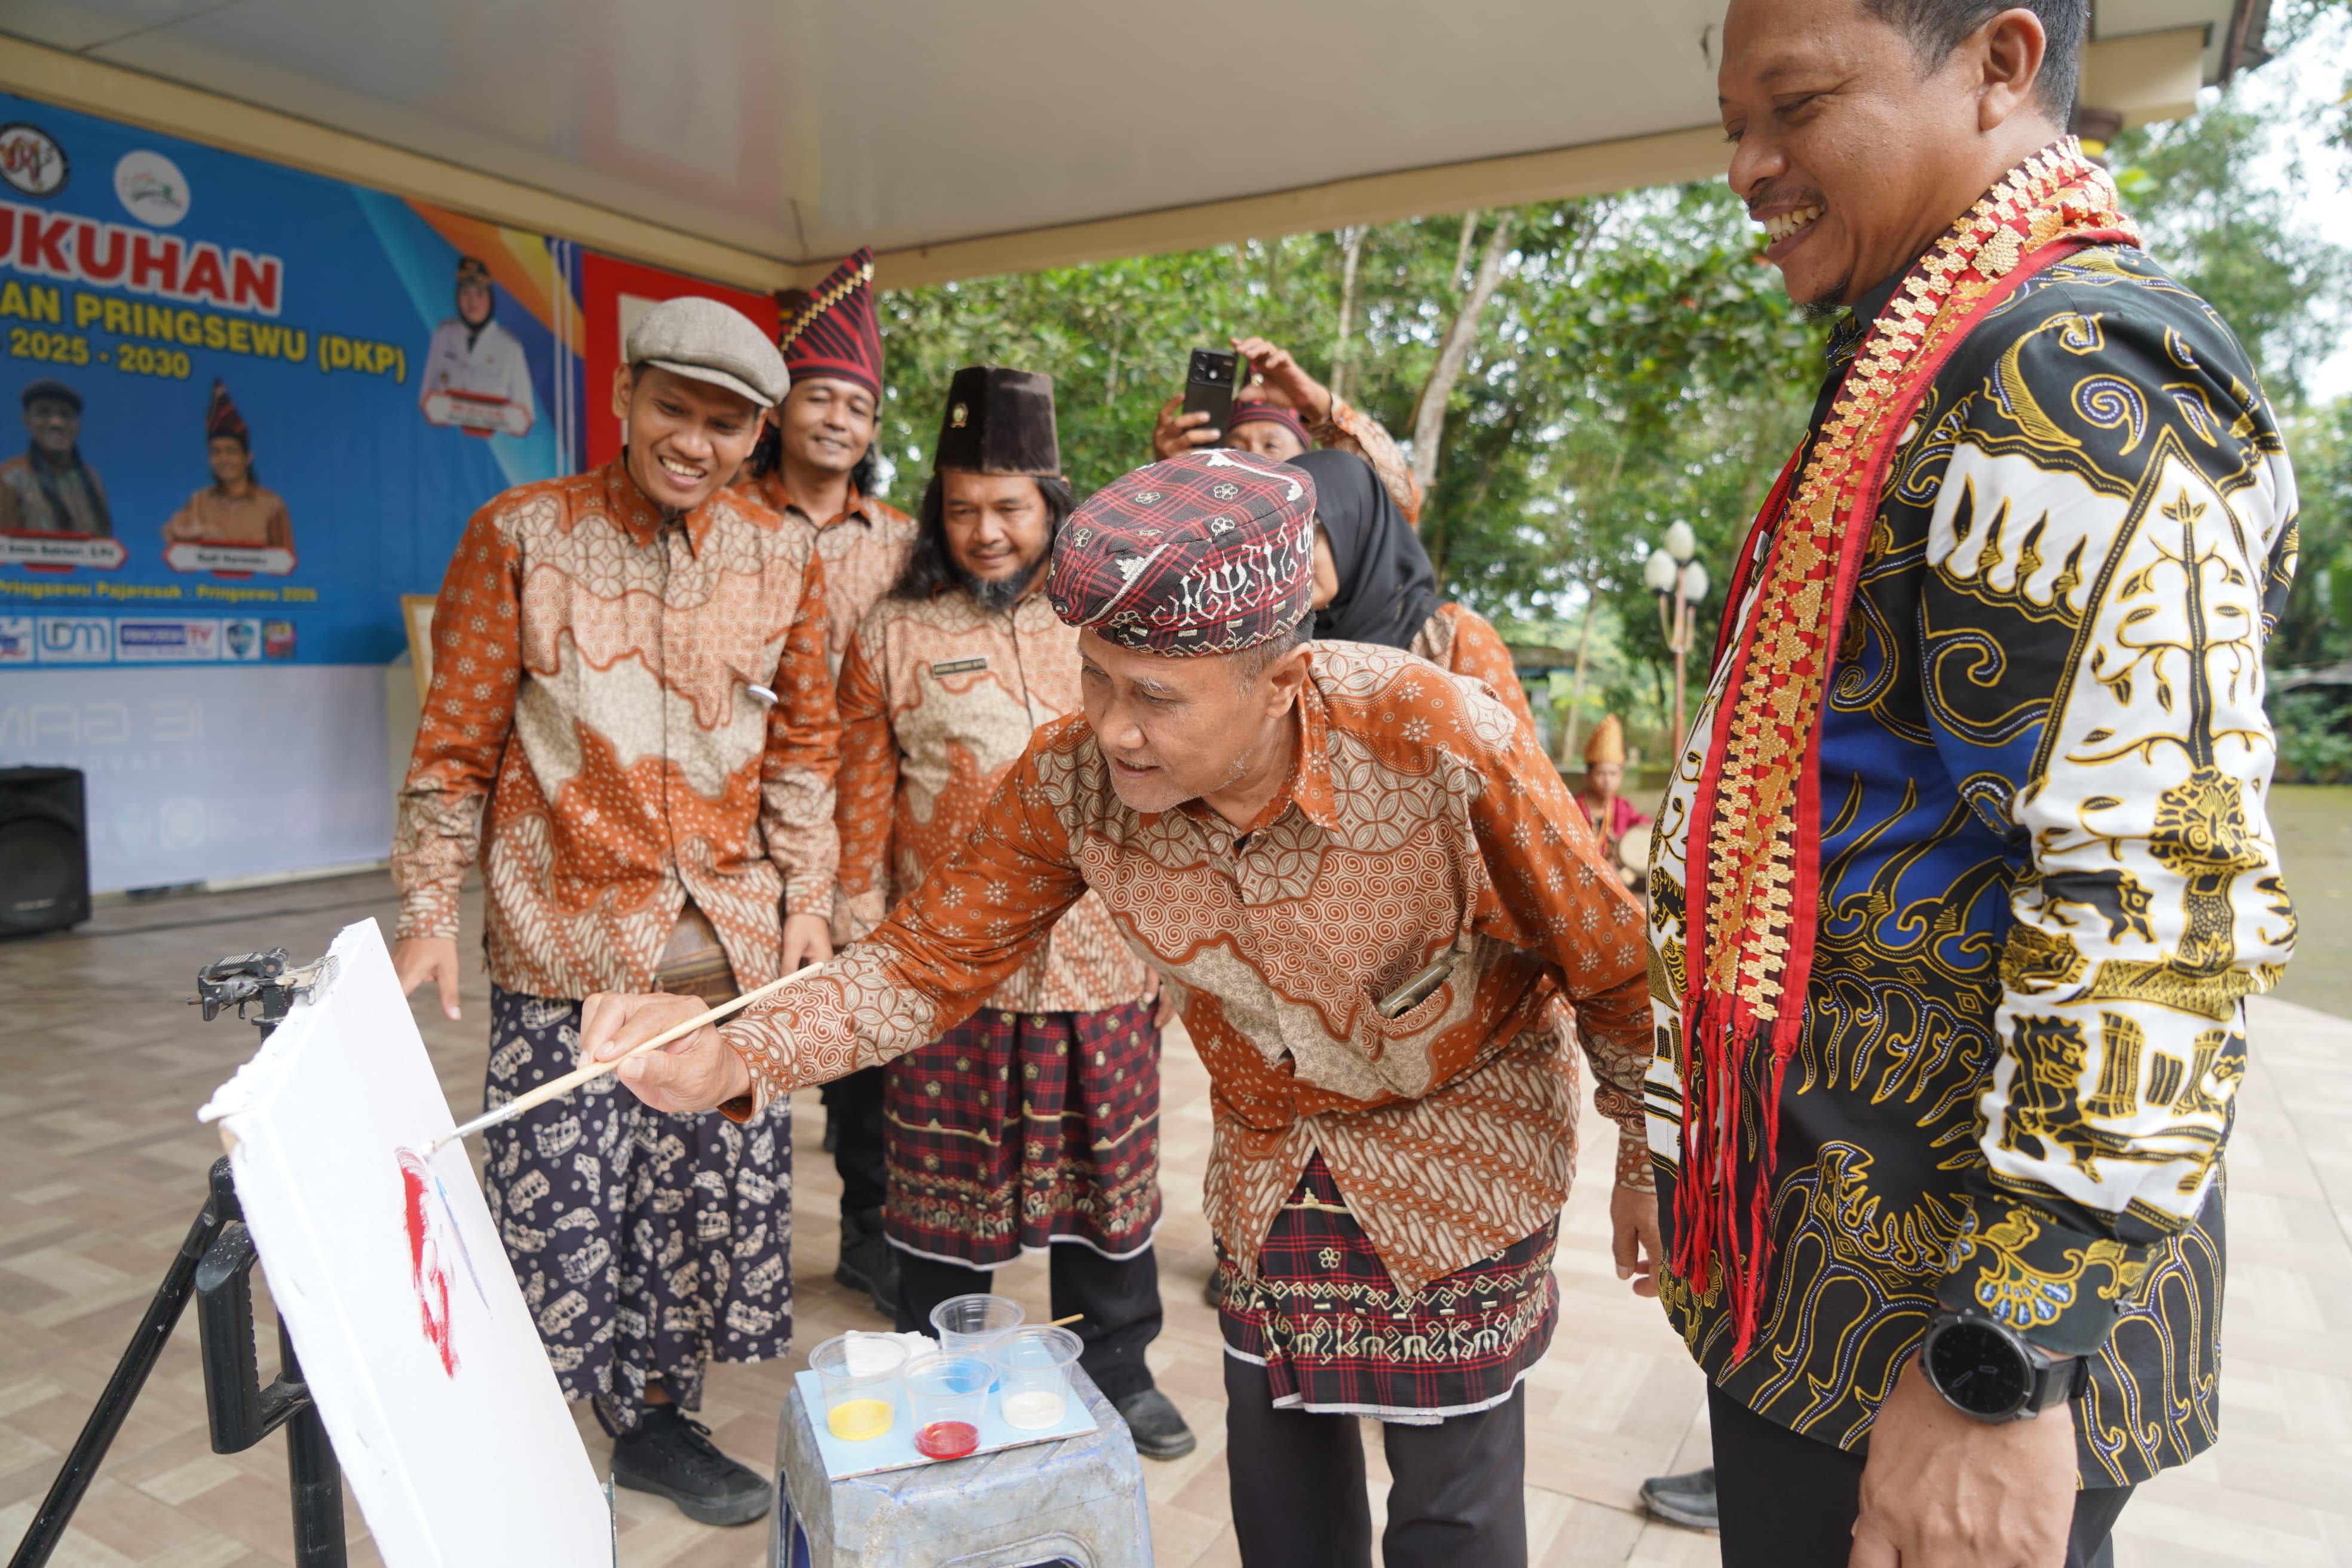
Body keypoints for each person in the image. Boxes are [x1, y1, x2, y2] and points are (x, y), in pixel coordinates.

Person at [578, 449, 1662, 1567]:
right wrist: (733, 1050)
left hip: (1461, 1152)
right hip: (1272, 1149)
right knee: (1281, 1485)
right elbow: (923, 961)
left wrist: (1647, 1149)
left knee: (1453, 1505)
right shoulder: (1074, 782)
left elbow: (1609, 954)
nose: (1111, 726)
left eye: (1153, 695)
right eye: (1094, 676)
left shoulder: (1436, 736)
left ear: (1281, 677)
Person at [1645, 2, 2296, 1564]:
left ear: (2001, 65)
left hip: (1948, 1339)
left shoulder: (2073, 380)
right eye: (1736, 119)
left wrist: (2004, 1365)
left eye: (1796, 106)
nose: (1748, 165)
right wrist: (1682, 1129)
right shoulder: (1926, 360)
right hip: (1831, 1289)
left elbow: (2167, 899)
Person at [389, 296, 838, 1529]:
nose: (694, 442)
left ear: (758, 435)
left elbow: (805, 750)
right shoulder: (521, 533)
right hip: (568, 937)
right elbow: (456, 739)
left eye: (727, 424)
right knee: (560, 1203)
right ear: (626, 400)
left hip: (724, 952)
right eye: (674, 411)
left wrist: (811, 900)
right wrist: (431, 907)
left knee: (695, 1204)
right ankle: (521, 1432)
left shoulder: (781, 558)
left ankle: (655, 1419)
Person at [832, 364, 1195, 1459]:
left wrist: (1179, 941)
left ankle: (1120, 1370)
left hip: (1103, 959)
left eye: (1009, 506)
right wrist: (863, 951)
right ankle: (946, 1378)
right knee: (943, 1194)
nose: (986, 531)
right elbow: (859, 802)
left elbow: (1169, 783)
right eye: (961, 508)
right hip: (952, 969)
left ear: (1052, 502)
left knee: (1110, 1180)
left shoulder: (1114, 626)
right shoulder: (893, 632)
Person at [731, 246, 920, 1318]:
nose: (840, 419)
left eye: (858, 403)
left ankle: (868, 1232)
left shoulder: (901, 545)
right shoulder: (729, 522)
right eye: (820, 397)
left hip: (862, 827)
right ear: (780, 408)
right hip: (731, 823)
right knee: (743, 1034)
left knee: (864, 1040)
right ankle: (737, 1243)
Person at [1290, 446, 1539, 739]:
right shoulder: (1276, 642)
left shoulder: (1451, 638)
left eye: (1306, 533)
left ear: (1354, 527)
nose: (1290, 557)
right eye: (1281, 539)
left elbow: (1517, 769)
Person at [1153, 335, 1422, 525]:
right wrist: (1172, 480)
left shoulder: (1329, 542)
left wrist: (1317, 407)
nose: (1252, 459)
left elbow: (1399, 507)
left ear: (1308, 461)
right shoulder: (1210, 530)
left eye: (1272, 446)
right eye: (1235, 449)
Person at [161, 381, 292, 550]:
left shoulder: (272, 505)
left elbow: (286, 561)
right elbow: (170, 535)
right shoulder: (200, 500)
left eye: (231, 451)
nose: (223, 459)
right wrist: (183, 533)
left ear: (248, 457)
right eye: (216, 452)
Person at [419, 256, 536, 436]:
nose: (472, 302)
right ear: (458, 296)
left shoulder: (510, 347)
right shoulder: (443, 336)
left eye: (480, 293)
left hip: (494, 450)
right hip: (445, 442)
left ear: (490, 298)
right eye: (466, 293)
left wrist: (486, 416)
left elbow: (524, 415)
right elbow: (426, 396)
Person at [0, 379, 110, 536]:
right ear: (27, 420)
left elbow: (104, 544)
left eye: (65, 414)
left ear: (77, 425)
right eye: (44, 413)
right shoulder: (9, 478)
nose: (56, 423)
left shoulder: (91, 478)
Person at [1573, 716, 1647, 887]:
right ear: (1588, 777)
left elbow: (1643, 827)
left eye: (1613, 774)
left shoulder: (1623, 807)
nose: (1608, 781)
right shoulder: (1574, 808)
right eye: (1601, 774)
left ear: (1621, 776)